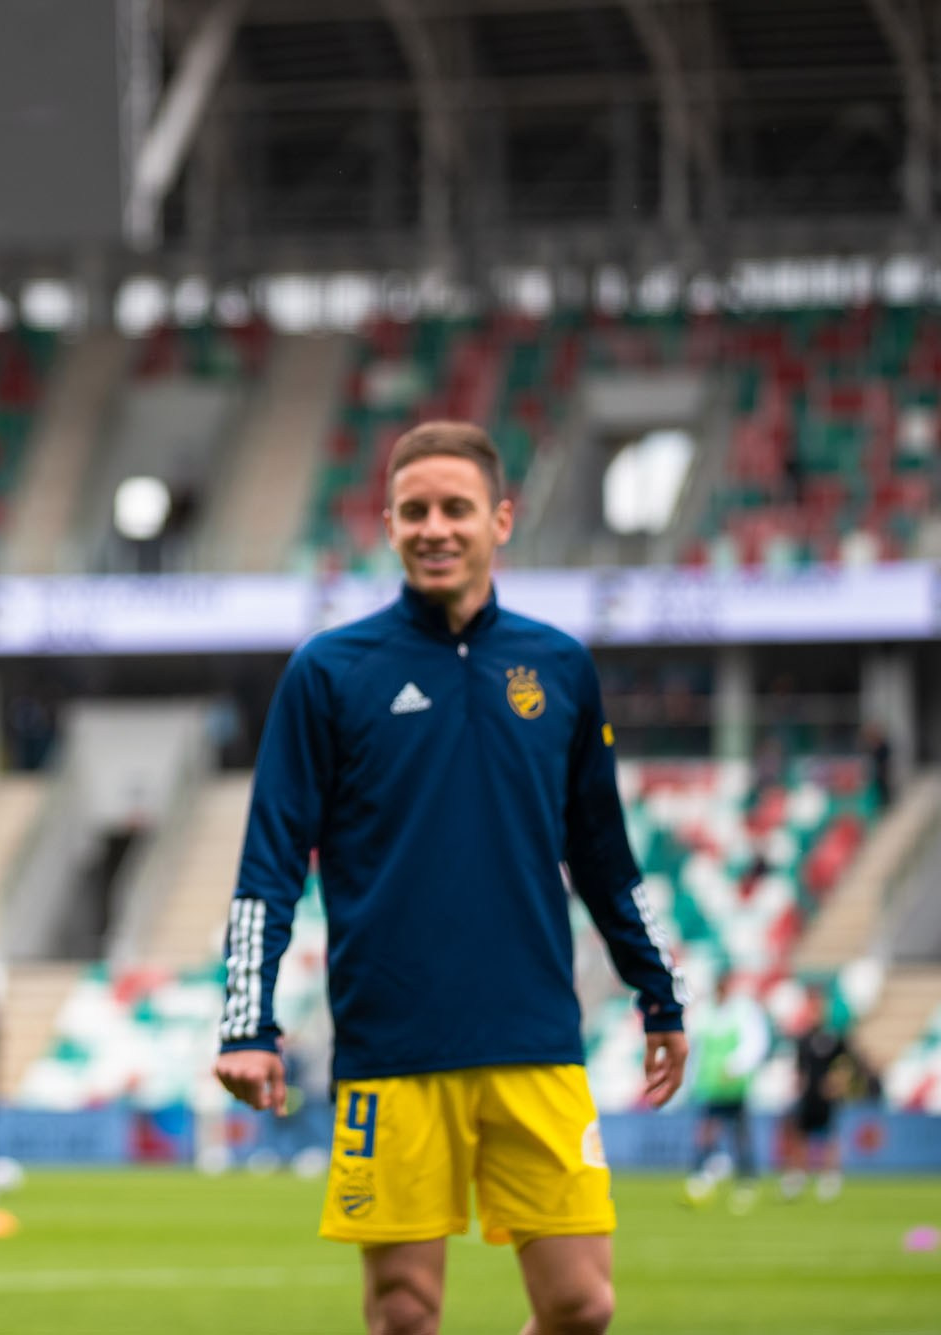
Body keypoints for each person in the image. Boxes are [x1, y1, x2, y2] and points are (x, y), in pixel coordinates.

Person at [212, 421, 688, 1335]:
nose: (435, 527)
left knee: (582, 1305)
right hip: (393, 1044)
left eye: (456, 508)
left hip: (535, 1036)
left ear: (500, 519)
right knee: (404, 1312)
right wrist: (247, 1021)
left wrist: (659, 992)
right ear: (389, 525)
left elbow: (605, 855)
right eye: (415, 510)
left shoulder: (560, 666)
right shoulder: (328, 671)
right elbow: (268, 861)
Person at [682, 971, 771, 1212]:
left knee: (739, 1133)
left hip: (734, 1085)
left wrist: (735, 1067)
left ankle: (746, 1177)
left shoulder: (743, 1011)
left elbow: (755, 1044)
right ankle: (702, 1170)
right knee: (707, 1130)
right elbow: (696, 1048)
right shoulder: (705, 1013)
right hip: (710, 1085)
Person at [779, 987, 865, 1203]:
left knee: (829, 1138)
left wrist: (838, 1083)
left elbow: (849, 1064)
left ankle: (830, 1178)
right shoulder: (803, 1039)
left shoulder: (834, 1038)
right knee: (800, 1137)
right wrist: (797, 1088)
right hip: (808, 1096)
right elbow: (800, 1070)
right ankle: (797, 1177)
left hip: (827, 1098)